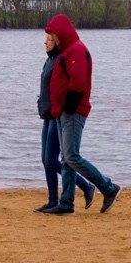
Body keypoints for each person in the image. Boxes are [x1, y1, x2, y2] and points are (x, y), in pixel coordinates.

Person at [45, 14, 119, 214]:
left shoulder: (76, 50)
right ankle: (66, 202)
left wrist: (68, 107)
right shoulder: (66, 51)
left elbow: (78, 83)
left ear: (61, 33)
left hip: (72, 111)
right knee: (66, 159)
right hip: (62, 111)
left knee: (71, 156)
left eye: (53, 35)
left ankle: (108, 188)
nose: (52, 39)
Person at [36, 27, 93, 213]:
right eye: (45, 39)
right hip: (46, 114)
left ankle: (86, 187)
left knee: (53, 160)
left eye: (49, 39)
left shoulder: (61, 60)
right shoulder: (49, 60)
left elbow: (66, 86)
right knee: (46, 160)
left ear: (56, 41)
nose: (45, 42)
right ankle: (52, 200)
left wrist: (63, 107)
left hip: (56, 114)